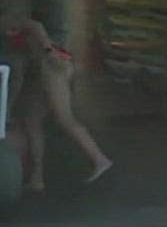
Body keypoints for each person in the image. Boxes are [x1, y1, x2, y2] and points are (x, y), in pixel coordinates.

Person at [5, 17, 113, 191]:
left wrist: (48, 51)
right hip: (40, 69)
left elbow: (35, 26)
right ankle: (37, 178)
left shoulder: (5, 19)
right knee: (31, 121)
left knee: (64, 118)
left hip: (50, 64)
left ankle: (100, 159)